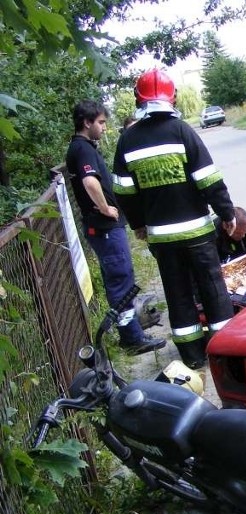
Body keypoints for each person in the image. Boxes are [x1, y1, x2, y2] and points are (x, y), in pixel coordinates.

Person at [112, 68, 237, 369]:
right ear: (172, 97)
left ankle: (193, 357)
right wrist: (226, 213)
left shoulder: (128, 140)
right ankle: (225, 355)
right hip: (197, 233)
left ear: (138, 99)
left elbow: (123, 191)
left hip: (162, 238)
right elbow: (207, 179)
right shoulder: (182, 131)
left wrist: (138, 223)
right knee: (213, 290)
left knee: (177, 294)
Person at [65, 99, 165, 356]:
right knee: (121, 280)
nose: (104, 128)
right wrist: (106, 208)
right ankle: (132, 338)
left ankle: (131, 334)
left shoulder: (80, 147)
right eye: (100, 123)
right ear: (86, 122)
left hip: (103, 227)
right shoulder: (83, 149)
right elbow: (90, 182)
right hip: (105, 227)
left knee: (121, 278)